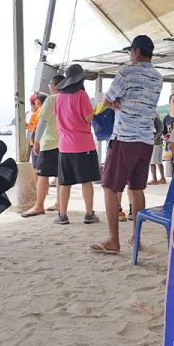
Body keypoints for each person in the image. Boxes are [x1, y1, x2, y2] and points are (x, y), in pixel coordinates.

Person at [92, 35, 162, 255]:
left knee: (111, 188)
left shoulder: (126, 72)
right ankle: (136, 237)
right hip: (146, 140)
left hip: (125, 138)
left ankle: (113, 240)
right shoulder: (158, 77)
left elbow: (107, 100)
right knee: (137, 188)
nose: (130, 55)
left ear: (137, 51)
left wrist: (116, 105)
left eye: (130, 51)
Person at [53, 64, 100, 225]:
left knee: (64, 182)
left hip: (64, 145)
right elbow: (88, 118)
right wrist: (94, 112)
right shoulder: (82, 95)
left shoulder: (58, 97)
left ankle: (62, 215)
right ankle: (88, 214)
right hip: (84, 145)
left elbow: (57, 117)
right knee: (86, 181)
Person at [22, 75, 63, 217]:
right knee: (60, 175)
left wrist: (37, 141)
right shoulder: (67, 98)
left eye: (50, 83)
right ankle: (59, 203)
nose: (49, 86)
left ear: (55, 85)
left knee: (42, 175)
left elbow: (42, 122)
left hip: (49, 142)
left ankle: (39, 206)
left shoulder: (52, 99)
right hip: (64, 143)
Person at [160, 92, 174, 178]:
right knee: (173, 173)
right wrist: (164, 137)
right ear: (169, 103)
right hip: (171, 148)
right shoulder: (166, 118)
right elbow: (163, 132)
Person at [147, 114, 165, 185]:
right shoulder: (155, 114)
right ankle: (162, 178)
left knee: (152, 162)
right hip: (158, 142)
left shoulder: (153, 115)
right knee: (159, 161)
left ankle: (154, 179)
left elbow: (161, 127)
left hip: (155, 142)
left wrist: (155, 134)